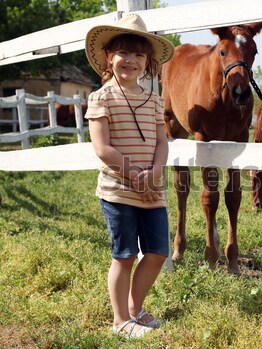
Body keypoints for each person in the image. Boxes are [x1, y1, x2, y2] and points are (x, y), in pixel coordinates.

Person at [84, 14, 174, 338]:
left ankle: (135, 309)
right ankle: (120, 321)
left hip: (152, 188)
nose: (130, 60)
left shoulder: (153, 99)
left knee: (158, 251)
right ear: (109, 57)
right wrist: (138, 176)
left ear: (147, 60)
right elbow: (102, 148)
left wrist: (156, 173)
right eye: (123, 52)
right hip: (119, 189)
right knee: (123, 255)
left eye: (138, 54)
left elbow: (162, 141)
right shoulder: (101, 98)